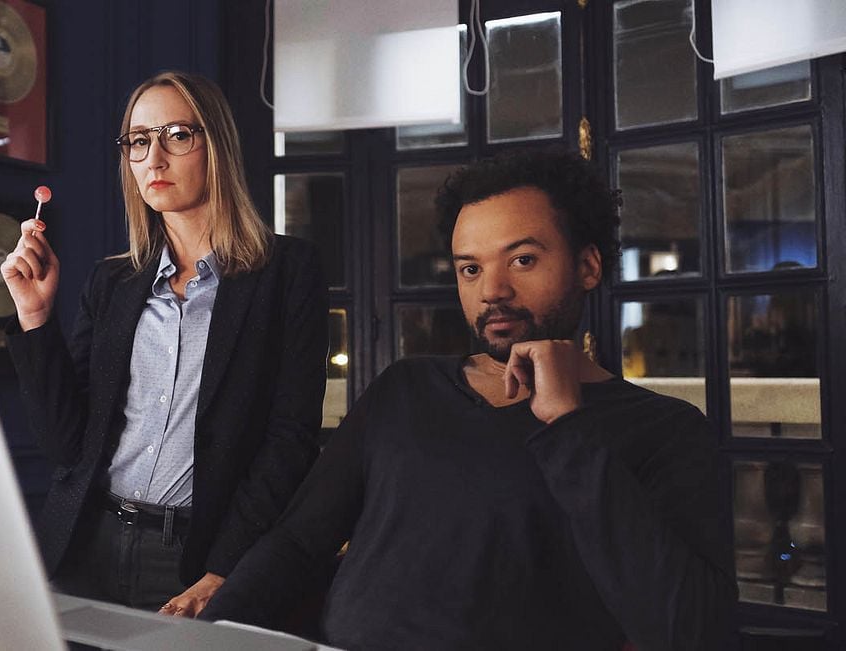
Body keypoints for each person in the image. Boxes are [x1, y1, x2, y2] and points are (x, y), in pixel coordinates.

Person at [200, 149, 737, 650]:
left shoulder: (662, 429)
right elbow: (298, 542)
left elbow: (689, 628)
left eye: (522, 260)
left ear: (588, 266)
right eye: (470, 268)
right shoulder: (405, 388)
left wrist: (567, 425)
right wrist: (207, 635)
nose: (491, 291)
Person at [1, 70, 327, 617]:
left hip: (195, 557)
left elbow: (289, 437)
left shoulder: (286, 271)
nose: (154, 158)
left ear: (216, 145)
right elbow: (65, 445)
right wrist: (34, 314)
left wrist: (224, 567)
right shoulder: (113, 281)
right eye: (138, 140)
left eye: (177, 135)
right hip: (86, 542)